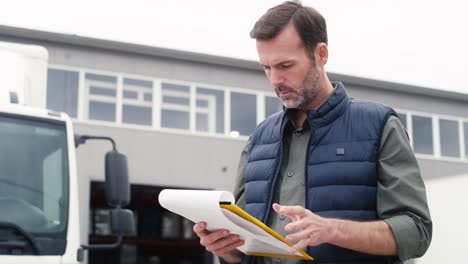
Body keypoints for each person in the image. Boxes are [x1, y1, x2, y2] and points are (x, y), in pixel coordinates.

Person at [193, 1, 432, 263]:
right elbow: (244, 246)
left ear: (321, 54)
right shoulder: (259, 139)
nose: (275, 80)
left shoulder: (379, 126)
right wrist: (226, 248)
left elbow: (416, 231)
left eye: (285, 66)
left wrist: (332, 230)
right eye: (266, 68)